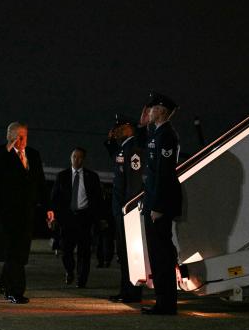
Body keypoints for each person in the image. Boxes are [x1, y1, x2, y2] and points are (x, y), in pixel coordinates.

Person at [0, 122, 54, 304]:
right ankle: (15, 291)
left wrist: (48, 207)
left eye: (25, 136)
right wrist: (8, 148)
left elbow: (40, 182)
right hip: (6, 214)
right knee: (13, 252)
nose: (23, 140)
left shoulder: (33, 154)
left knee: (20, 253)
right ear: (10, 136)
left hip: (27, 213)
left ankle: (3, 282)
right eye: (19, 136)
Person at [140, 91, 182, 315]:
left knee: (162, 253)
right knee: (157, 253)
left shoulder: (167, 135)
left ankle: (166, 303)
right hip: (154, 200)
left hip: (159, 204)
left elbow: (164, 174)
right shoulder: (157, 133)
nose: (149, 111)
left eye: (153, 108)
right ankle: (162, 301)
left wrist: (158, 206)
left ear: (163, 111)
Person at [105, 114, 145, 304]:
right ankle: (125, 291)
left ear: (130, 128)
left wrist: (128, 209)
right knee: (122, 253)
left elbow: (134, 183)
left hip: (127, 210)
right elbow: (116, 159)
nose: (118, 129)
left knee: (129, 254)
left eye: (121, 127)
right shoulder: (124, 147)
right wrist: (109, 140)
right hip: (120, 209)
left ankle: (132, 292)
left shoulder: (134, 148)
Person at [50, 147, 103, 288]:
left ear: (84, 159)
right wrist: (54, 217)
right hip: (67, 218)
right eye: (74, 156)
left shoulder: (92, 177)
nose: (76, 160)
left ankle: (82, 279)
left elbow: (98, 199)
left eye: (79, 157)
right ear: (70, 158)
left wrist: (98, 219)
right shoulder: (62, 176)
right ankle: (69, 271)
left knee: (84, 251)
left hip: (84, 218)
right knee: (66, 250)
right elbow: (55, 199)